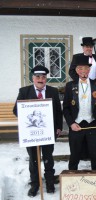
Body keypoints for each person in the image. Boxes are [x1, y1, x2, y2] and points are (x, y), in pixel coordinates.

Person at [13, 65, 63, 197]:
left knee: (48, 158)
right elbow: (15, 110)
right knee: (34, 159)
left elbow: (58, 111)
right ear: (33, 78)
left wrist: (58, 127)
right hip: (31, 134)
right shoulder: (24, 91)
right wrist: (26, 110)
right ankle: (35, 184)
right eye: (38, 76)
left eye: (43, 77)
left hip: (48, 132)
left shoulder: (53, 91)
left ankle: (50, 183)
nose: (41, 79)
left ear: (46, 78)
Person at [63, 54, 96, 171]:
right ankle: (71, 181)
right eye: (80, 68)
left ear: (89, 69)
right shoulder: (69, 86)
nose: (83, 71)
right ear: (76, 70)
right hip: (76, 125)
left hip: (93, 124)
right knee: (74, 155)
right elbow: (66, 108)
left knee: (95, 155)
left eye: (86, 68)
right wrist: (71, 123)